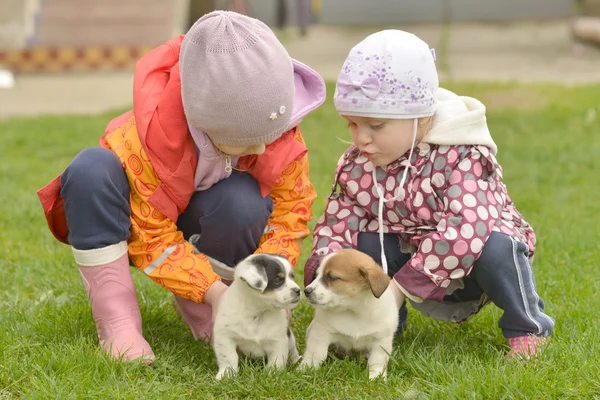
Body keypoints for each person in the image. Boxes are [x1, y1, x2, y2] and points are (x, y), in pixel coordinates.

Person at [37, 11, 326, 363]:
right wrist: (212, 290)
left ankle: (208, 311)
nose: (263, 149)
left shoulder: (272, 120)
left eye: (270, 137)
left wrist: (273, 284)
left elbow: (290, 211)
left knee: (241, 202)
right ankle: (119, 320)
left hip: (202, 218)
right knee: (89, 170)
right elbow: (151, 236)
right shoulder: (147, 139)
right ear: (206, 122)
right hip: (136, 225)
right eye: (248, 142)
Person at [304, 29, 554, 360]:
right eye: (352, 124)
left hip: (470, 265)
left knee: (498, 246)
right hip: (407, 256)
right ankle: (382, 324)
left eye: (375, 126)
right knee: (360, 240)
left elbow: (468, 227)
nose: (360, 139)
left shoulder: (463, 154)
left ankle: (527, 328)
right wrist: (324, 270)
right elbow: (336, 224)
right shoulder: (358, 165)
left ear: (420, 117)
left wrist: (401, 287)